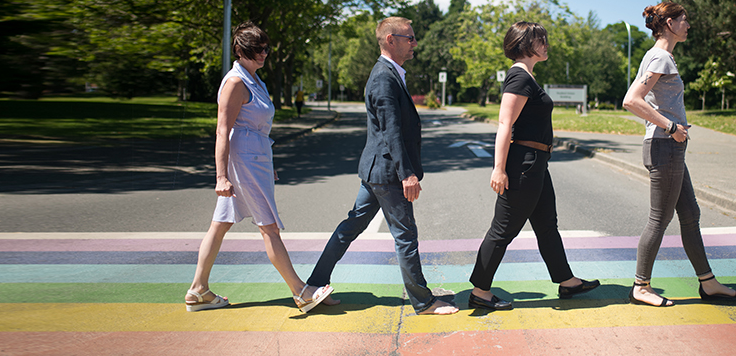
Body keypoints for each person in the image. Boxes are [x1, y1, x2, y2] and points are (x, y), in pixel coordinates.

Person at [302, 17, 458, 315]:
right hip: (388, 173)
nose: (414, 43)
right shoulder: (384, 77)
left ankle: (314, 284)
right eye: (409, 38)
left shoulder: (390, 74)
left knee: (350, 228)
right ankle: (423, 301)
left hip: (375, 171)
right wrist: (407, 173)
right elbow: (391, 132)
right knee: (405, 235)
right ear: (391, 40)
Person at [184, 21, 332, 313]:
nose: (264, 54)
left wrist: (267, 163)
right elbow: (222, 130)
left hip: (255, 158)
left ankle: (198, 290)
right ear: (240, 51)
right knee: (270, 227)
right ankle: (300, 292)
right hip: (245, 160)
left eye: (266, 48)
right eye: (257, 49)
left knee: (220, 224)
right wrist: (221, 176)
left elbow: (257, 128)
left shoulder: (253, 78)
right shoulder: (236, 82)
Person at [622, 2, 736, 307]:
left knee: (690, 214)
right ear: (669, 23)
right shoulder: (660, 57)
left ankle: (709, 283)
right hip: (664, 146)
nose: (688, 25)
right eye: (684, 20)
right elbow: (632, 100)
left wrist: (674, 129)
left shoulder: (661, 56)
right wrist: (670, 127)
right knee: (660, 219)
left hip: (671, 148)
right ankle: (641, 286)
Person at [468, 21, 600, 311]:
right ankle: (480, 290)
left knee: (546, 226)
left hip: (536, 164)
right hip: (523, 166)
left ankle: (566, 281)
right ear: (525, 44)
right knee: (503, 230)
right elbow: (504, 124)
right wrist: (499, 168)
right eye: (541, 40)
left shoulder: (527, 77)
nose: (546, 45)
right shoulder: (519, 77)